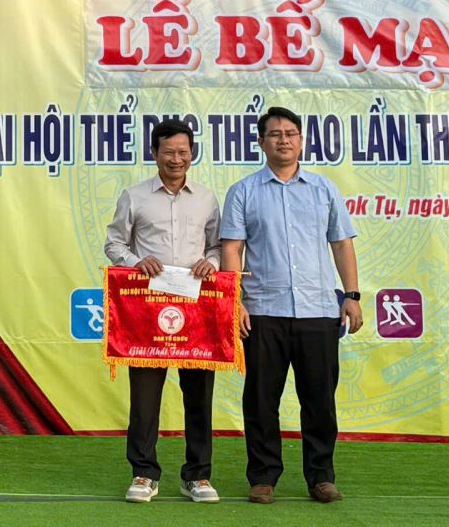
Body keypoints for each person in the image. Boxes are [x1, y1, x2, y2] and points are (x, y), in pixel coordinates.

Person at [221, 106, 362, 506]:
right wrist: (234, 301)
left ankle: (321, 477)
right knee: (261, 399)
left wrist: (351, 296)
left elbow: (342, 243)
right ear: (261, 142)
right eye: (275, 134)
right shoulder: (244, 191)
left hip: (318, 311)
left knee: (319, 400)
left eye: (290, 133)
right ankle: (263, 477)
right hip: (263, 310)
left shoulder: (323, 189)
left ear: (301, 141)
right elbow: (231, 248)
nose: (283, 140)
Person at [104, 117, 223, 504]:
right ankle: (144, 473)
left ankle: (197, 476)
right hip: (148, 311)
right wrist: (136, 261)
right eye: (168, 151)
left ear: (192, 154)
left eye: (183, 152)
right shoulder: (134, 196)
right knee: (144, 397)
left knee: (199, 395)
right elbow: (114, 244)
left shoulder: (206, 199)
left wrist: (211, 262)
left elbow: (217, 246)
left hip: (197, 309)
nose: (176, 159)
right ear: (154, 153)